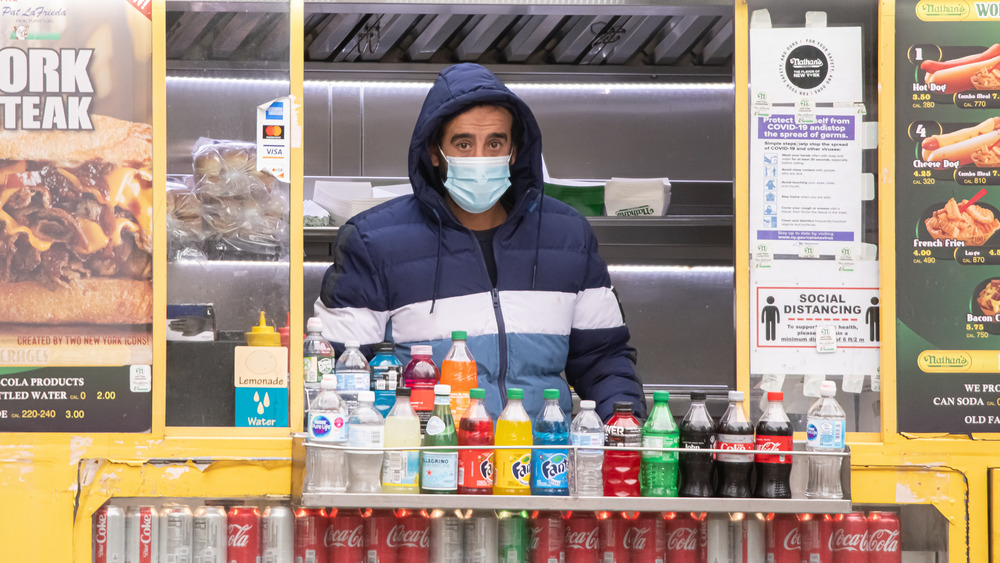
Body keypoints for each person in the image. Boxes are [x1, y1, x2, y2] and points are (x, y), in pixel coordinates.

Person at [315, 63, 645, 421]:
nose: (480, 159)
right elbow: (336, 372)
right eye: (463, 143)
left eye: (495, 143)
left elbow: (604, 359)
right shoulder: (374, 243)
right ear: (434, 152)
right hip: (428, 466)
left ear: (514, 150)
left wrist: (623, 430)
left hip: (543, 463)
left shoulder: (567, 237)